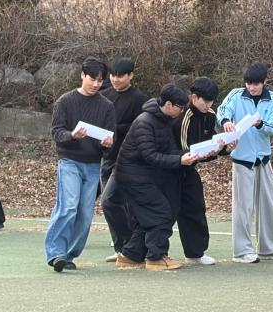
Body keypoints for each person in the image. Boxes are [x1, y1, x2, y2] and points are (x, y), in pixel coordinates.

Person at [114, 84, 197, 271]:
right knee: (160, 211)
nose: (182, 111)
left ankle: (131, 255)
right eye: (180, 107)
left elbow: (168, 149)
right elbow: (150, 156)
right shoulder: (145, 122)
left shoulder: (163, 120)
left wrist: (192, 154)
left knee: (147, 217)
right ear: (168, 105)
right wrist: (179, 160)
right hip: (132, 177)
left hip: (144, 176)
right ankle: (156, 257)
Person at [45, 57, 116, 272]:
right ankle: (55, 252)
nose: (95, 84)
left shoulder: (107, 106)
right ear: (82, 75)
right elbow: (56, 132)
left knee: (85, 213)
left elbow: (110, 140)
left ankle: (69, 254)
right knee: (68, 206)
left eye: (100, 80)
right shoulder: (65, 101)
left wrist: (107, 144)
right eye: (92, 79)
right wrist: (72, 135)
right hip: (69, 160)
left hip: (93, 163)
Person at [216, 62, 273, 263]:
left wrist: (259, 124)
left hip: (263, 159)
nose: (251, 87)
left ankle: (268, 248)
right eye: (248, 83)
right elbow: (222, 110)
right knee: (243, 207)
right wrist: (226, 122)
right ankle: (242, 251)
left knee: (268, 205)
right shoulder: (235, 95)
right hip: (242, 159)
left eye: (255, 83)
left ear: (264, 82)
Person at [172, 76, 230, 266]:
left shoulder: (210, 115)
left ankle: (195, 253)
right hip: (172, 167)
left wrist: (224, 149)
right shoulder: (184, 117)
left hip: (189, 169)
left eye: (211, 101)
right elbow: (184, 150)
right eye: (205, 101)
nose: (208, 105)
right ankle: (151, 252)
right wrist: (205, 154)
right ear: (194, 97)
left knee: (196, 206)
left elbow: (211, 141)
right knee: (167, 211)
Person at [100, 57, 146, 261]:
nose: (115, 79)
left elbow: (138, 128)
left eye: (120, 76)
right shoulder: (104, 95)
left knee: (113, 201)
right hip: (106, 156)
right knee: (111, 204)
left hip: (127, 159)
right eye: (112, 75)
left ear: (131, 76)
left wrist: (113, 130)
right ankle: (121, 248)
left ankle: (131, 248)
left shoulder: (138, 99)